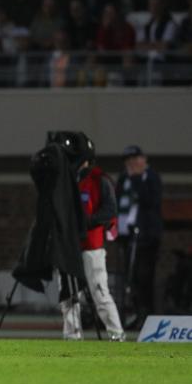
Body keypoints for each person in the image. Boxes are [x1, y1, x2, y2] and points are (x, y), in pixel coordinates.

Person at [59, 144, 124, 341]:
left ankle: (116, 334)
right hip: (69, 247)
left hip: (91, 246)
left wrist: (85, 222)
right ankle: (72, 337)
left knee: (100, 293)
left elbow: (110, 210)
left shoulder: (99, 179)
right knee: (68, 295)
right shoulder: (66, 180)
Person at [116, 145, 163, 328]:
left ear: (144, 159)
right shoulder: (123, 178)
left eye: (135, 160)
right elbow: (118, 201)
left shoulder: (150, 177)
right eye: (128, 161)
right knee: (131, 276)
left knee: (145, 276)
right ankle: (135, 313)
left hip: (147, 236)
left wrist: (136, 178)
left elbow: (151, 201)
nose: (132, 164)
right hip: (127, 235)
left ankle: (147, 314)